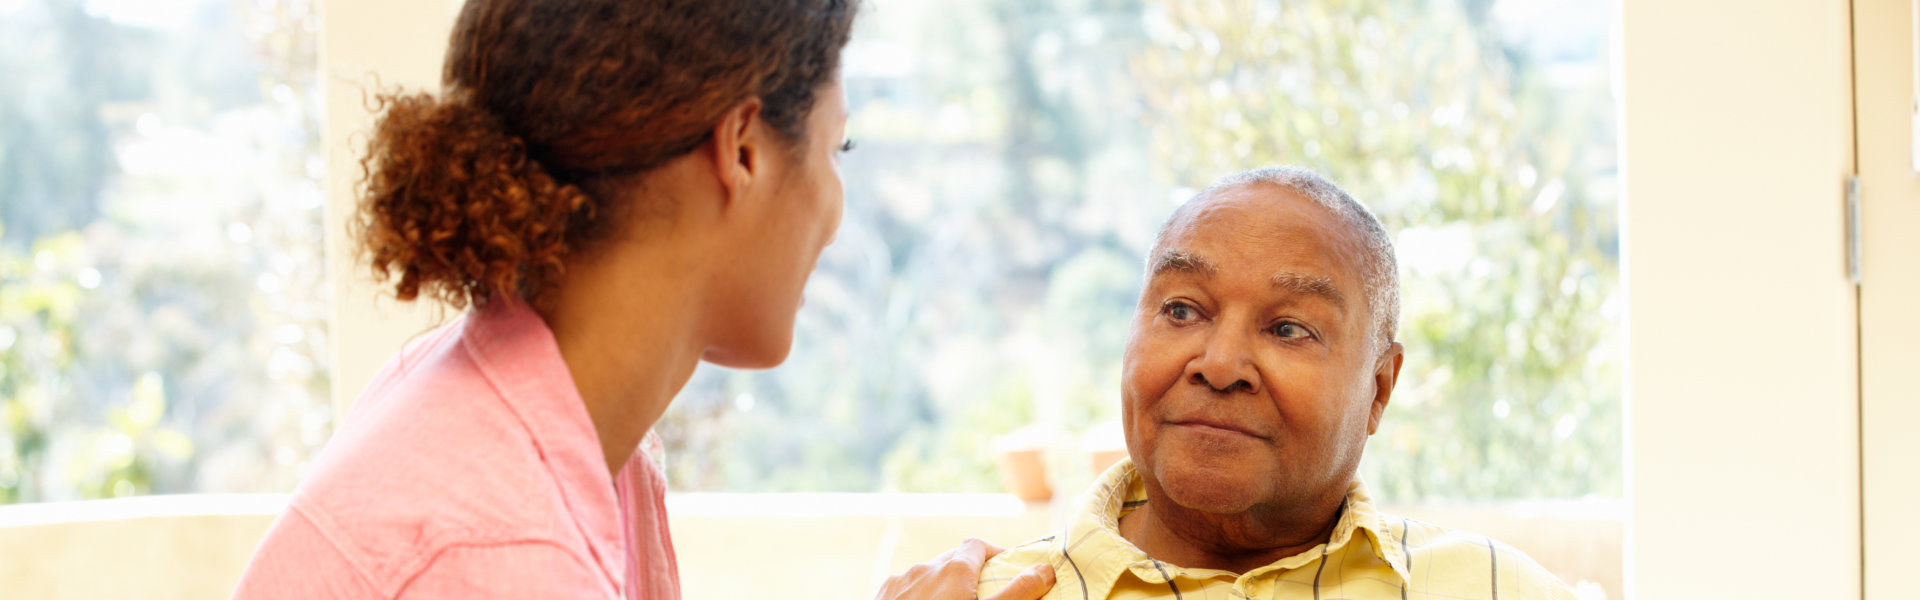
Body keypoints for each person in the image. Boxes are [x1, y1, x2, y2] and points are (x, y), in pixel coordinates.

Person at [231, 1, 1053, 598]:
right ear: (742, 150)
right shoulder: (497, 555)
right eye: (836, 148)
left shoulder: (526, 412)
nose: (837, 214)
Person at [975, 167, 1576, 600]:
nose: (1220, 364)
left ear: (1379, 390)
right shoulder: (978, 595)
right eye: (1182, 310)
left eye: (1289, 328)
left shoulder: (1500, 589)